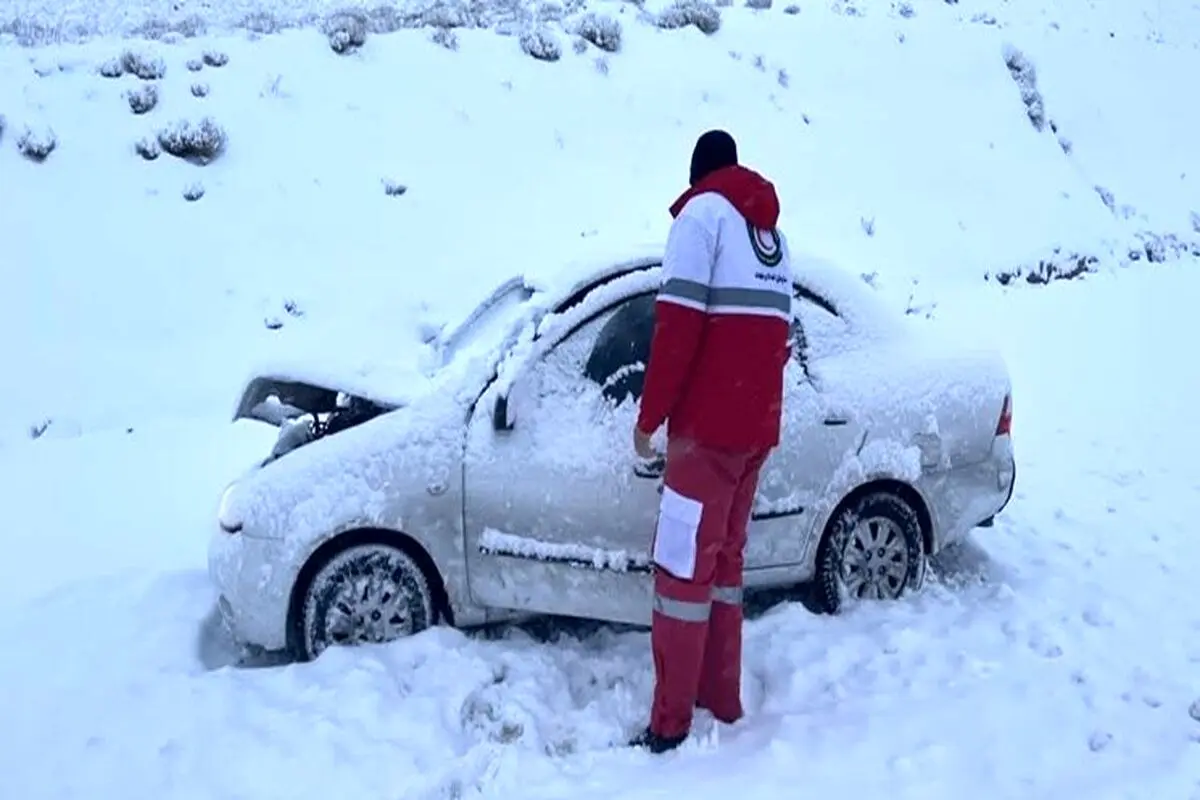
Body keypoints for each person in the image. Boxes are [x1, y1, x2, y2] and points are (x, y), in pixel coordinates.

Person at [630, 130, 793, 754]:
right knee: (723, 568)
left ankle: (670, 725)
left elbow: (676, 329)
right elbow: (776, 340)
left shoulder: (700, 218)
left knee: (679, 576)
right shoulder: (775, 240)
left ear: (697, 175)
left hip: (705, 436)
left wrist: (650, 420)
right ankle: (721, 701)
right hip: (755, 433)